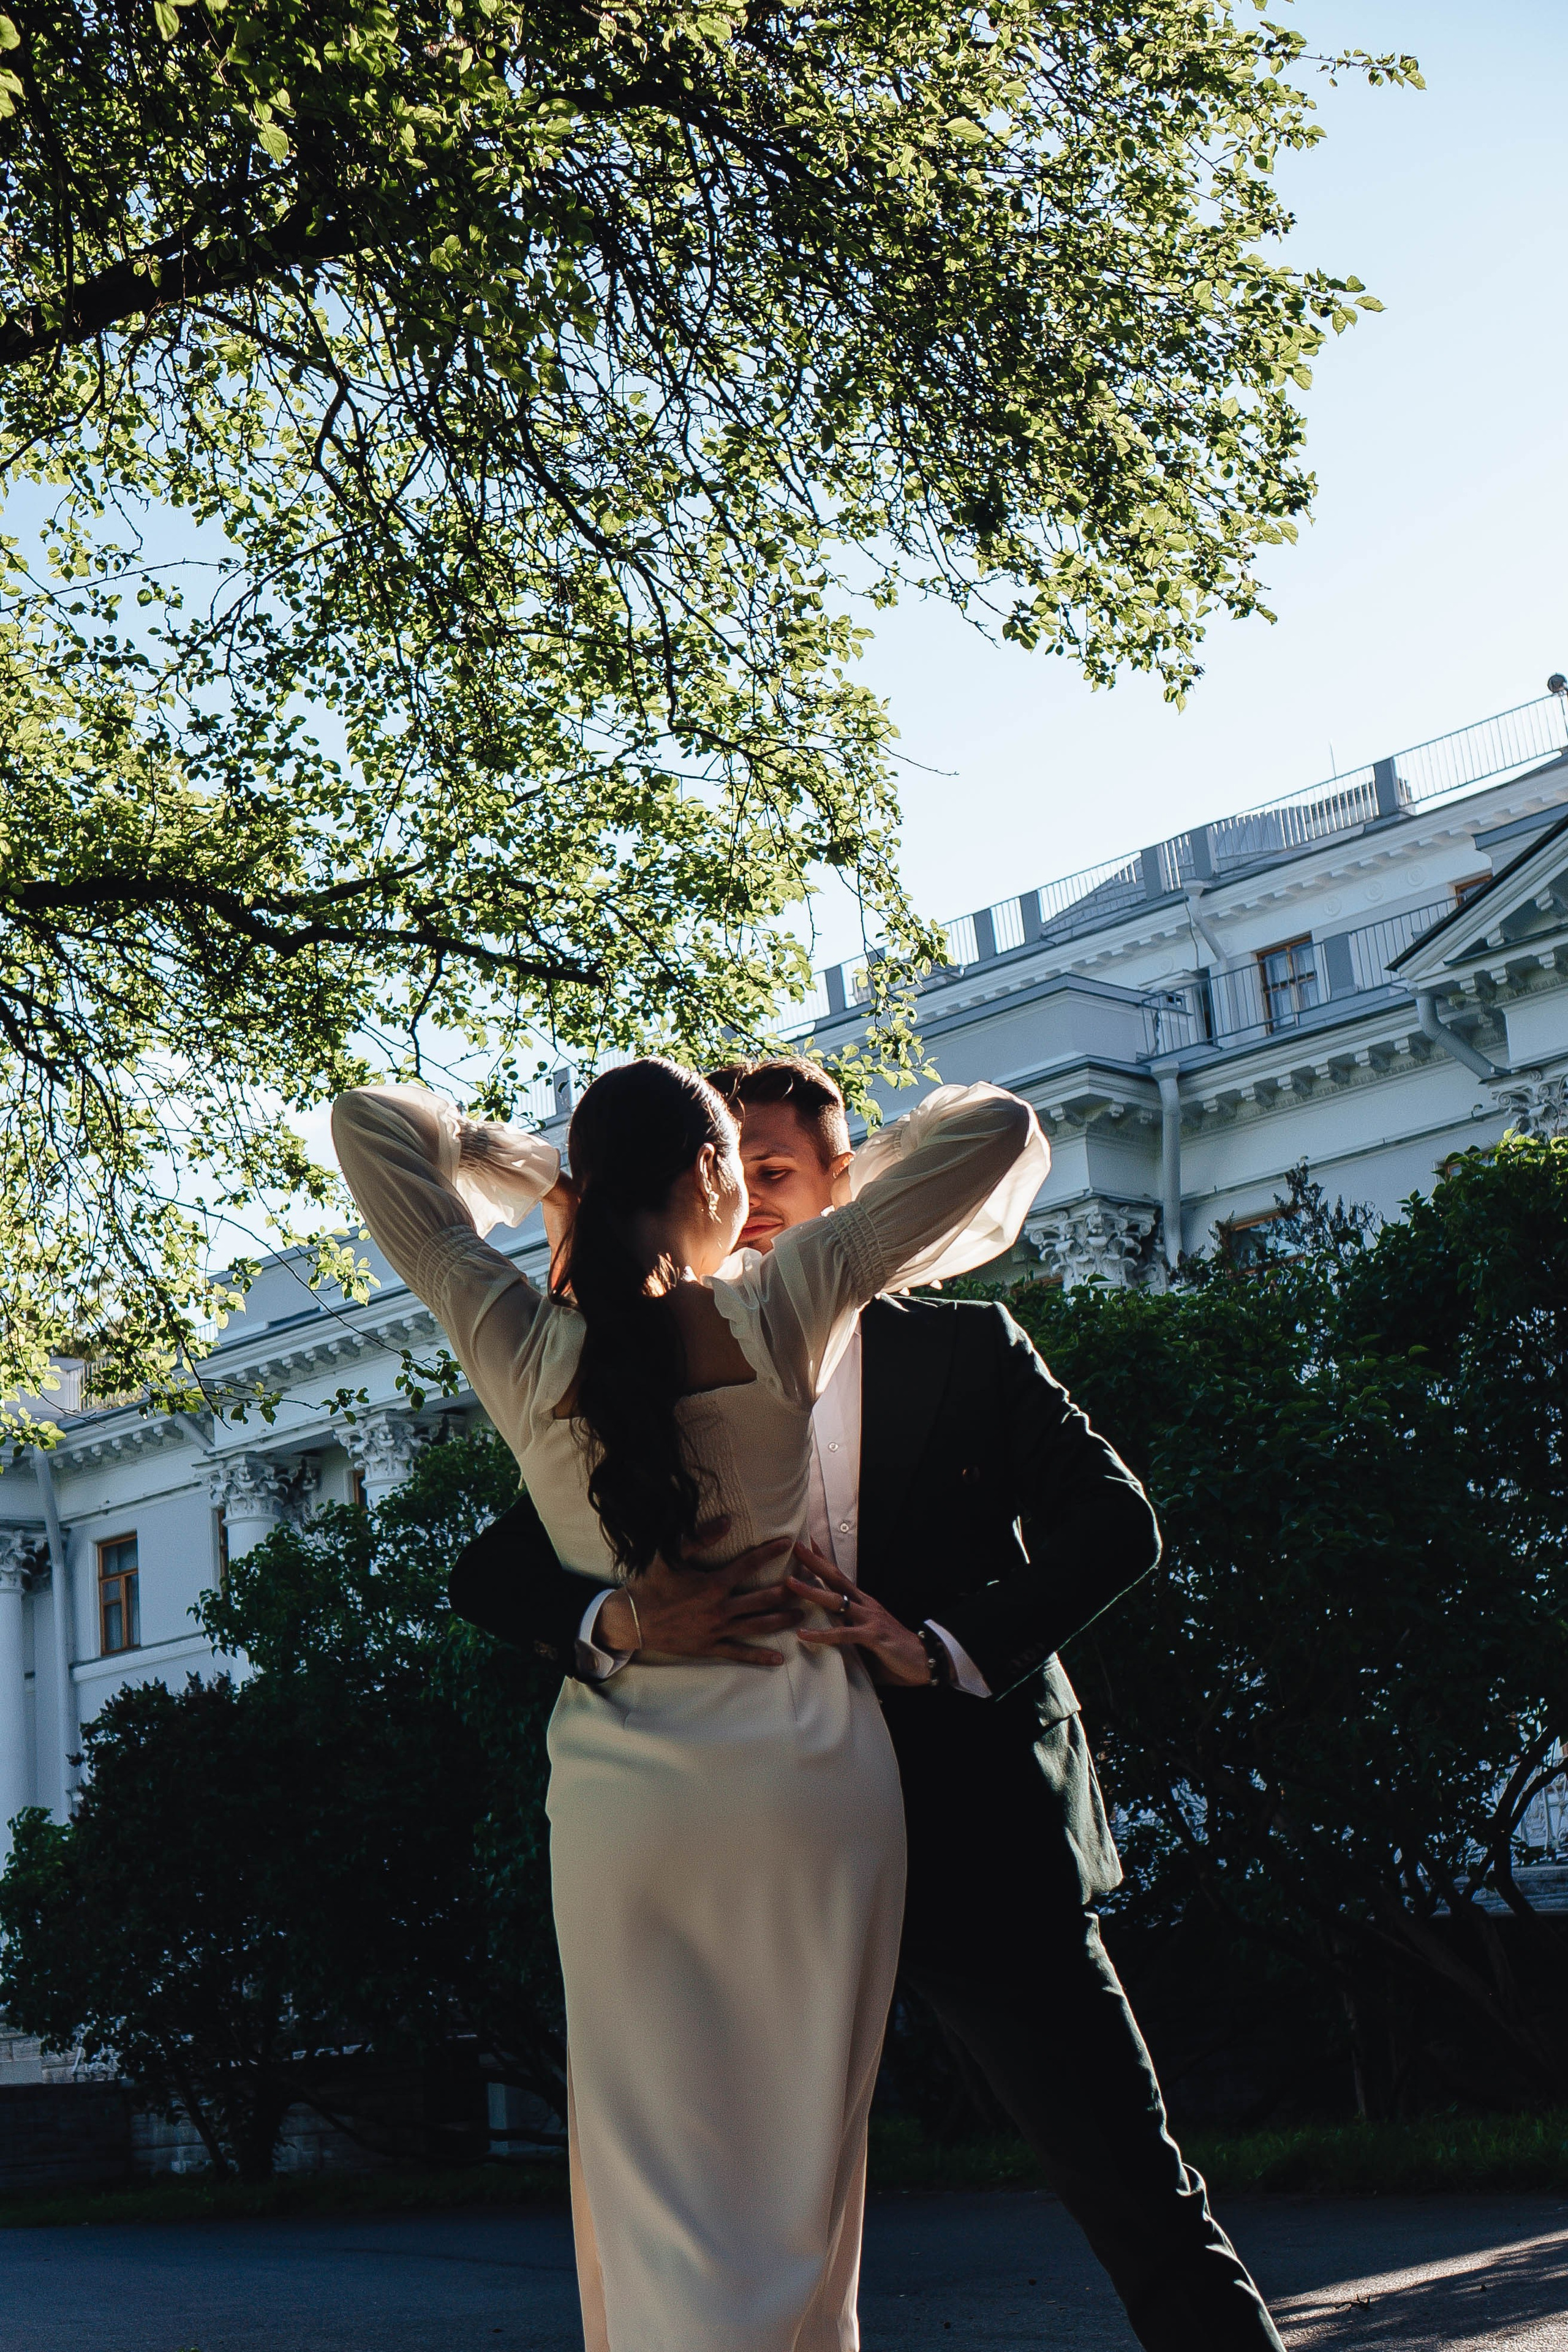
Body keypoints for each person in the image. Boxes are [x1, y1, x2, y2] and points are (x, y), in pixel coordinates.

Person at [453, 1056, 1287, 2352]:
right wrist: (620, 1623)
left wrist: (944, 1643)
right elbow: (497, 1569)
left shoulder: (962, 1345)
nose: (753, 1200)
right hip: (745, 1835)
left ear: (848, 1181)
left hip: (972, 1830)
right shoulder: (639, 1374)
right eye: (733, 1171)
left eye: (780, 1172)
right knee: (743, 2215)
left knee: (1132, 2189)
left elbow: (1115, 1524)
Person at [331, 1061, 1046, 2352]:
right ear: (713, 1174)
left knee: (651, 2164)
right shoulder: (783, 1307)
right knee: (801, 2177)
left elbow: (369, 1124)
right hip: (808, 1773)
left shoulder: (510, 1333)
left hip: (626, 1797)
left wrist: (541, 1184)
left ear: (594, 1188)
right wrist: (833, 1195)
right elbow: (1000, 1131)